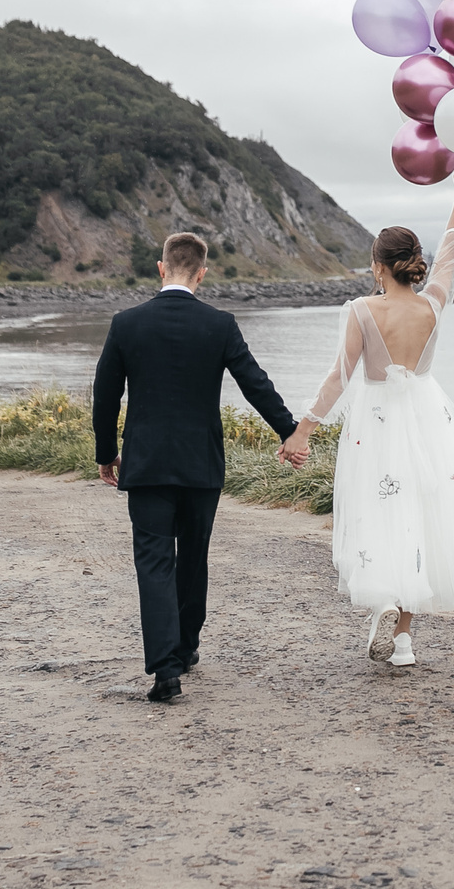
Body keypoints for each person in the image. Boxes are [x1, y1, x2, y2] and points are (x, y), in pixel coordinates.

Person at [279, 161, 454, 667]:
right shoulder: (433, 303)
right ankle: (405, 640)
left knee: (379, 515)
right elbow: (451, 254)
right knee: (420, 517)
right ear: (413, 264)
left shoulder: (361, 310)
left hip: (377, 426)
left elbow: (338, 378)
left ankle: (385, 602)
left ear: (378, 267)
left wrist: (302, 432)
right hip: (430, 419)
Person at [92, 230, 308, 704]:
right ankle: (186, 646)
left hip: (147, 463)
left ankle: (166, 670)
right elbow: (255, 383)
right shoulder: (220, 324)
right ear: (202, 274)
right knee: (193, 556)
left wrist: (106, 453)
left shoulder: (126, 323)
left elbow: (105, 395)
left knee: (154, 561)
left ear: (161, 268)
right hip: (200, 464)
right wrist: (290, 433)